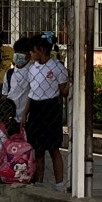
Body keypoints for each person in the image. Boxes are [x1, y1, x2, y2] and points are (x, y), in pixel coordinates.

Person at [21, 34, 69, 189]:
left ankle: (59, 184)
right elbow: (31, 92)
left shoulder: (57, 67)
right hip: (35, 108)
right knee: (37, 149)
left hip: (51, 109)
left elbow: (63, 91)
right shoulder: (32, 68)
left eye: (33, 51)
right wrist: (25, 113)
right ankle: (39, 182)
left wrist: (71, 83)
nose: (31, 54)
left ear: (41, 50)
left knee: (54, 149)